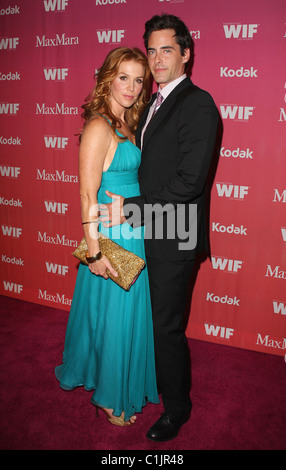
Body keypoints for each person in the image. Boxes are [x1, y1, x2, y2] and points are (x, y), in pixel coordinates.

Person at [100, 15, 219, 441]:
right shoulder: (150, 103)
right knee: (149, 321)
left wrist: (129, 210)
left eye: (167, 49)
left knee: (166, 326)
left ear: (186, 54)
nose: (157, 59)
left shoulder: (198, 103)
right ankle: (152, 385)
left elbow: (189, 183)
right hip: (148, 228)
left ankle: (177, 408)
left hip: (176, 232)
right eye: (151, 50)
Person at [55, 47, 159, 426]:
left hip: (134, 229)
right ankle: (109, 396)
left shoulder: (130, 123)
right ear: (107, 78)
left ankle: (116, 381)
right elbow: (86, 193)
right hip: (110, 235)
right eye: (123, 77)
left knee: (123, 315)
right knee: (111, 316)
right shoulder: (99, 126)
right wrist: (95, 253)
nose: (131, 87)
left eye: (138, 79)